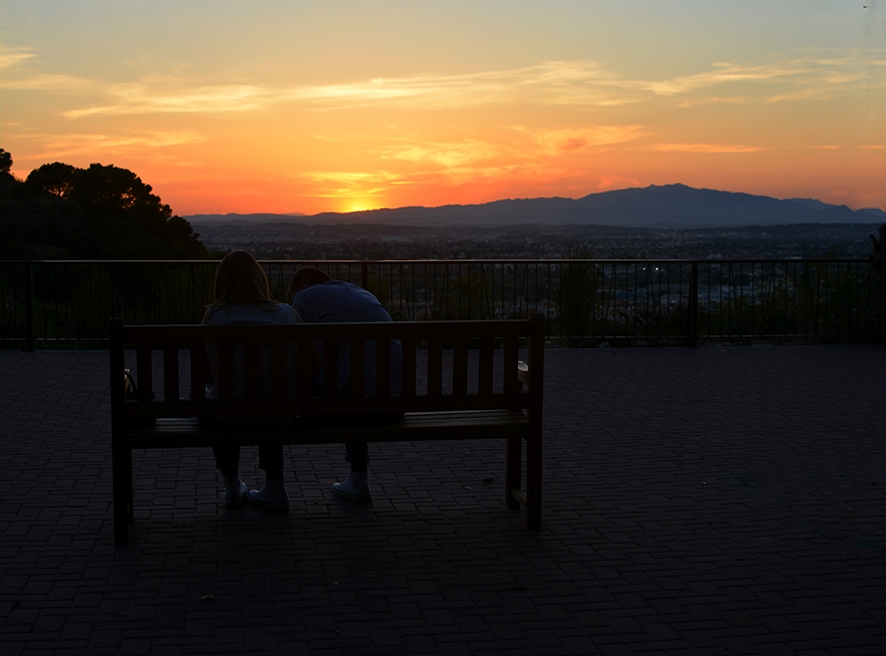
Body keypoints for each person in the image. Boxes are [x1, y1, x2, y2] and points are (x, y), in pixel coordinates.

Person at [288, 267, 402, 503]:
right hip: (394, 401)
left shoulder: (303, 298)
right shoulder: (362, 292)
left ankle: (273, 483)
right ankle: (358, 480)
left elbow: (295, 357)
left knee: (297, 389)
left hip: (348, 407)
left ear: (300, 287)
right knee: (353, 377)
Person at [203, 251, 303, 510]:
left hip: (228, 415)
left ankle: (231, 486)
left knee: (216, 400)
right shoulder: (286, 313)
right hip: (278, 412)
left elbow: (207, 370)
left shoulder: (214, 316)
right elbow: (304, 362)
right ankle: (275, 485)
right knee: (270, 398)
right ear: (259, 279)